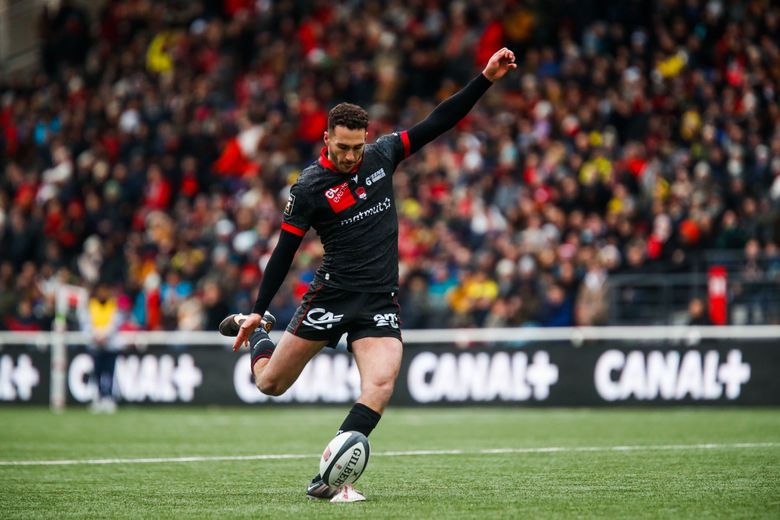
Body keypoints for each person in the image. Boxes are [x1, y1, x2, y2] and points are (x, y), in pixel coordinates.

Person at [219, 48, 517, 500]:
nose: (351, 156)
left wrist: (485, 79)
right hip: (332, 296)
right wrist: (259, 313)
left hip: (379, 300)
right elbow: (283, 253)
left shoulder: (382, 155)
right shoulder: (309, 188)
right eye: (342, 147)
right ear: (326, 139)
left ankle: (332, 478)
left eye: (357, 147)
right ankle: (260, 338)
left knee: (379, 385)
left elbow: (439, 121)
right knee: (270, 384)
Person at [79, 282, 124, 413]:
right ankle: (99, 396)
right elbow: (86, 324)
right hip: (96, 345)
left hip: (110, 345)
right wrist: (96, 336)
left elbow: (116, 323)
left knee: (110, 372)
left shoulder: (113, 306)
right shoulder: (91, 306)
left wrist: (104, 335)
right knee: (97, 372)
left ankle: (109, 397)